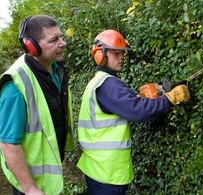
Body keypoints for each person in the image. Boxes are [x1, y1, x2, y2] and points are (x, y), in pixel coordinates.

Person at [76, 29, 191, 195]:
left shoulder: (98, 82)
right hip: (108, 173)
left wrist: (139, 98)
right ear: (100, 55)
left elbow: (125, 105)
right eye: (116, 53)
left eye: (123, 53)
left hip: (98, 167)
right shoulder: (109, 85)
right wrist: (169, 99)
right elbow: (138, 111)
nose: (122, 57)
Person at [0, 15, 74, 195]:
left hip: (49, 177)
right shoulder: (15, 86)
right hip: (30, 184)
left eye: (61, 37)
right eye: (54, 39)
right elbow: (9, 144)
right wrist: (30, 188)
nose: (63, 43)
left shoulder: (56, 71)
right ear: (31, 46)